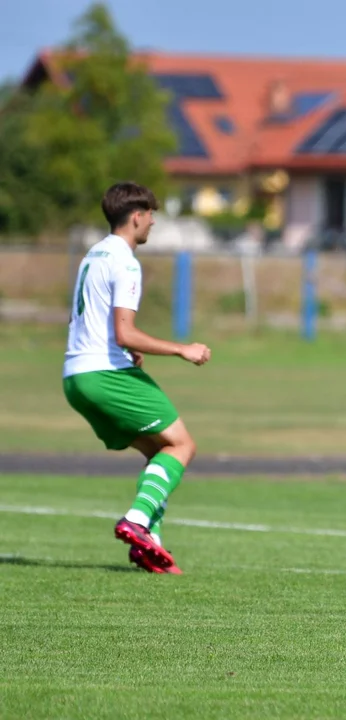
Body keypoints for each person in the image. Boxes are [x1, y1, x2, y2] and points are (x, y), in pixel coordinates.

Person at [62, 182, 212, 575]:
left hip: (76, 377)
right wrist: (183, 349)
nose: (153, 222)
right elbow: (125, 331)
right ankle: (136, 521)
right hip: (105, 373)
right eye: (150, 215)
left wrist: (124, 348)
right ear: (135, 217)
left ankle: (150, 547)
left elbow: (99, 322)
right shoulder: (126, 261)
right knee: (182, 446)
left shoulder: (93, 254)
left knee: (158, 452)